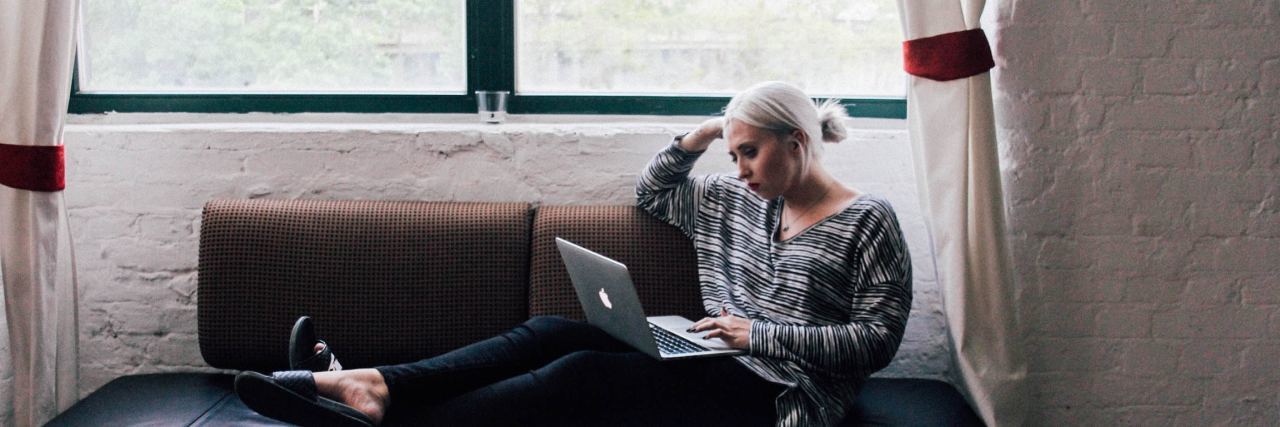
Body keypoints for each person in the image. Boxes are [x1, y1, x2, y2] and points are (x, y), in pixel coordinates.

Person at [234, 81, 912, 427]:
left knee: (581, 374)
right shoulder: (733, 198)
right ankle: (372, 384)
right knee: (549, 331)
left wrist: (756, 331)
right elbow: (655, 190)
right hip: (716, 356)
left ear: (796, 140)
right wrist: (708, 130)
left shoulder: (868, 219)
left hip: (785, 395)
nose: (739, 169)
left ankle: (366, 400)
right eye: (733, 154)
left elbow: (877, 341)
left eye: (751, 151)